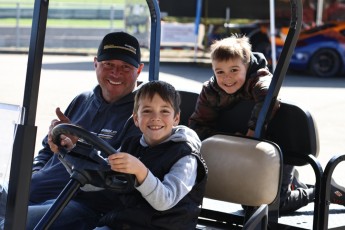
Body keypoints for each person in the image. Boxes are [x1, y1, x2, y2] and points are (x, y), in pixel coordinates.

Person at [188, 34, 345, 214]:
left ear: (246, 66)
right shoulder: (211, 89)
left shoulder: (259, 79)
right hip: (243, 153)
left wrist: (251, 132)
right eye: (220, 72)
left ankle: (322, 191)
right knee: (249, 203)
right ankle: (290, 183)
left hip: (275, 148)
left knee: (275, 205)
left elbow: (268, 99)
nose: (227, 78)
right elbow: (199, 123)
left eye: (234, 70)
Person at [26, 80, 208, 229]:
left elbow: (165, 200)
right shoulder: (132, 146)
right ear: (136, 119)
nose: (155, 117)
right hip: (123, 222)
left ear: (176, 118)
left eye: (164, 111)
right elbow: (99, 182)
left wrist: (140, 172)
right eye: (147, 111)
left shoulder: (186, 157)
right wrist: (69, 153)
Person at [29, 31, 144, 204]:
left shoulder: (142, 114)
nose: (115, 73)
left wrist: (78, 146)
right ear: (95, 63)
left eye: (125, 67)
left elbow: (118, 177)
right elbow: (46, 149)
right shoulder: (82, 100)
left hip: (78, 201)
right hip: (34, 190)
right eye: (108, 64)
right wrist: (35, 173)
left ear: (139, 70)